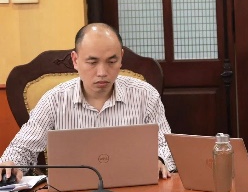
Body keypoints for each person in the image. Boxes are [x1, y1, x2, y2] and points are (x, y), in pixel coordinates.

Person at [0, 23, 175, 181]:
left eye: (111, 61)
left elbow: (165, 145)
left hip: (136, 190)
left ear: (121, 58)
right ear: (75, 60)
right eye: (92, 62)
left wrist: (159, 159)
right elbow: (22, 148)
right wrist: (10, 164)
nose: (102, 72)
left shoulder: (145, 95)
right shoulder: (54, 100)